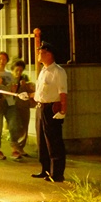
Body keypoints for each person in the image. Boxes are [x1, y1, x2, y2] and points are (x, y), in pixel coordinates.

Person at [32, 41, 68, 182]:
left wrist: (63, 110)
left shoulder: (58, 71)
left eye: (42, 52)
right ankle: (45, 170)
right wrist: (31, 96)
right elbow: (41, 92)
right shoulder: (43, 71)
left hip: (51, 108)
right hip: (41, 107)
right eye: (39, 52)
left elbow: (63, 93)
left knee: (54, 141)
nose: (39, 55)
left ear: (50, 54)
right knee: (42, 141)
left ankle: (57, 173)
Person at [7, 59, 35, 158]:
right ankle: (14, 148)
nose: (19, 72)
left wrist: (26, 86)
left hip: (24, 105)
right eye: (16, 70)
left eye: (21, 70)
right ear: (12, 69)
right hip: (12, 107)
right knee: (15, 127)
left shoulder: (25, 78)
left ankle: (21, 148)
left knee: (24, 126)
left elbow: (31, 89)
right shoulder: (9, 79)